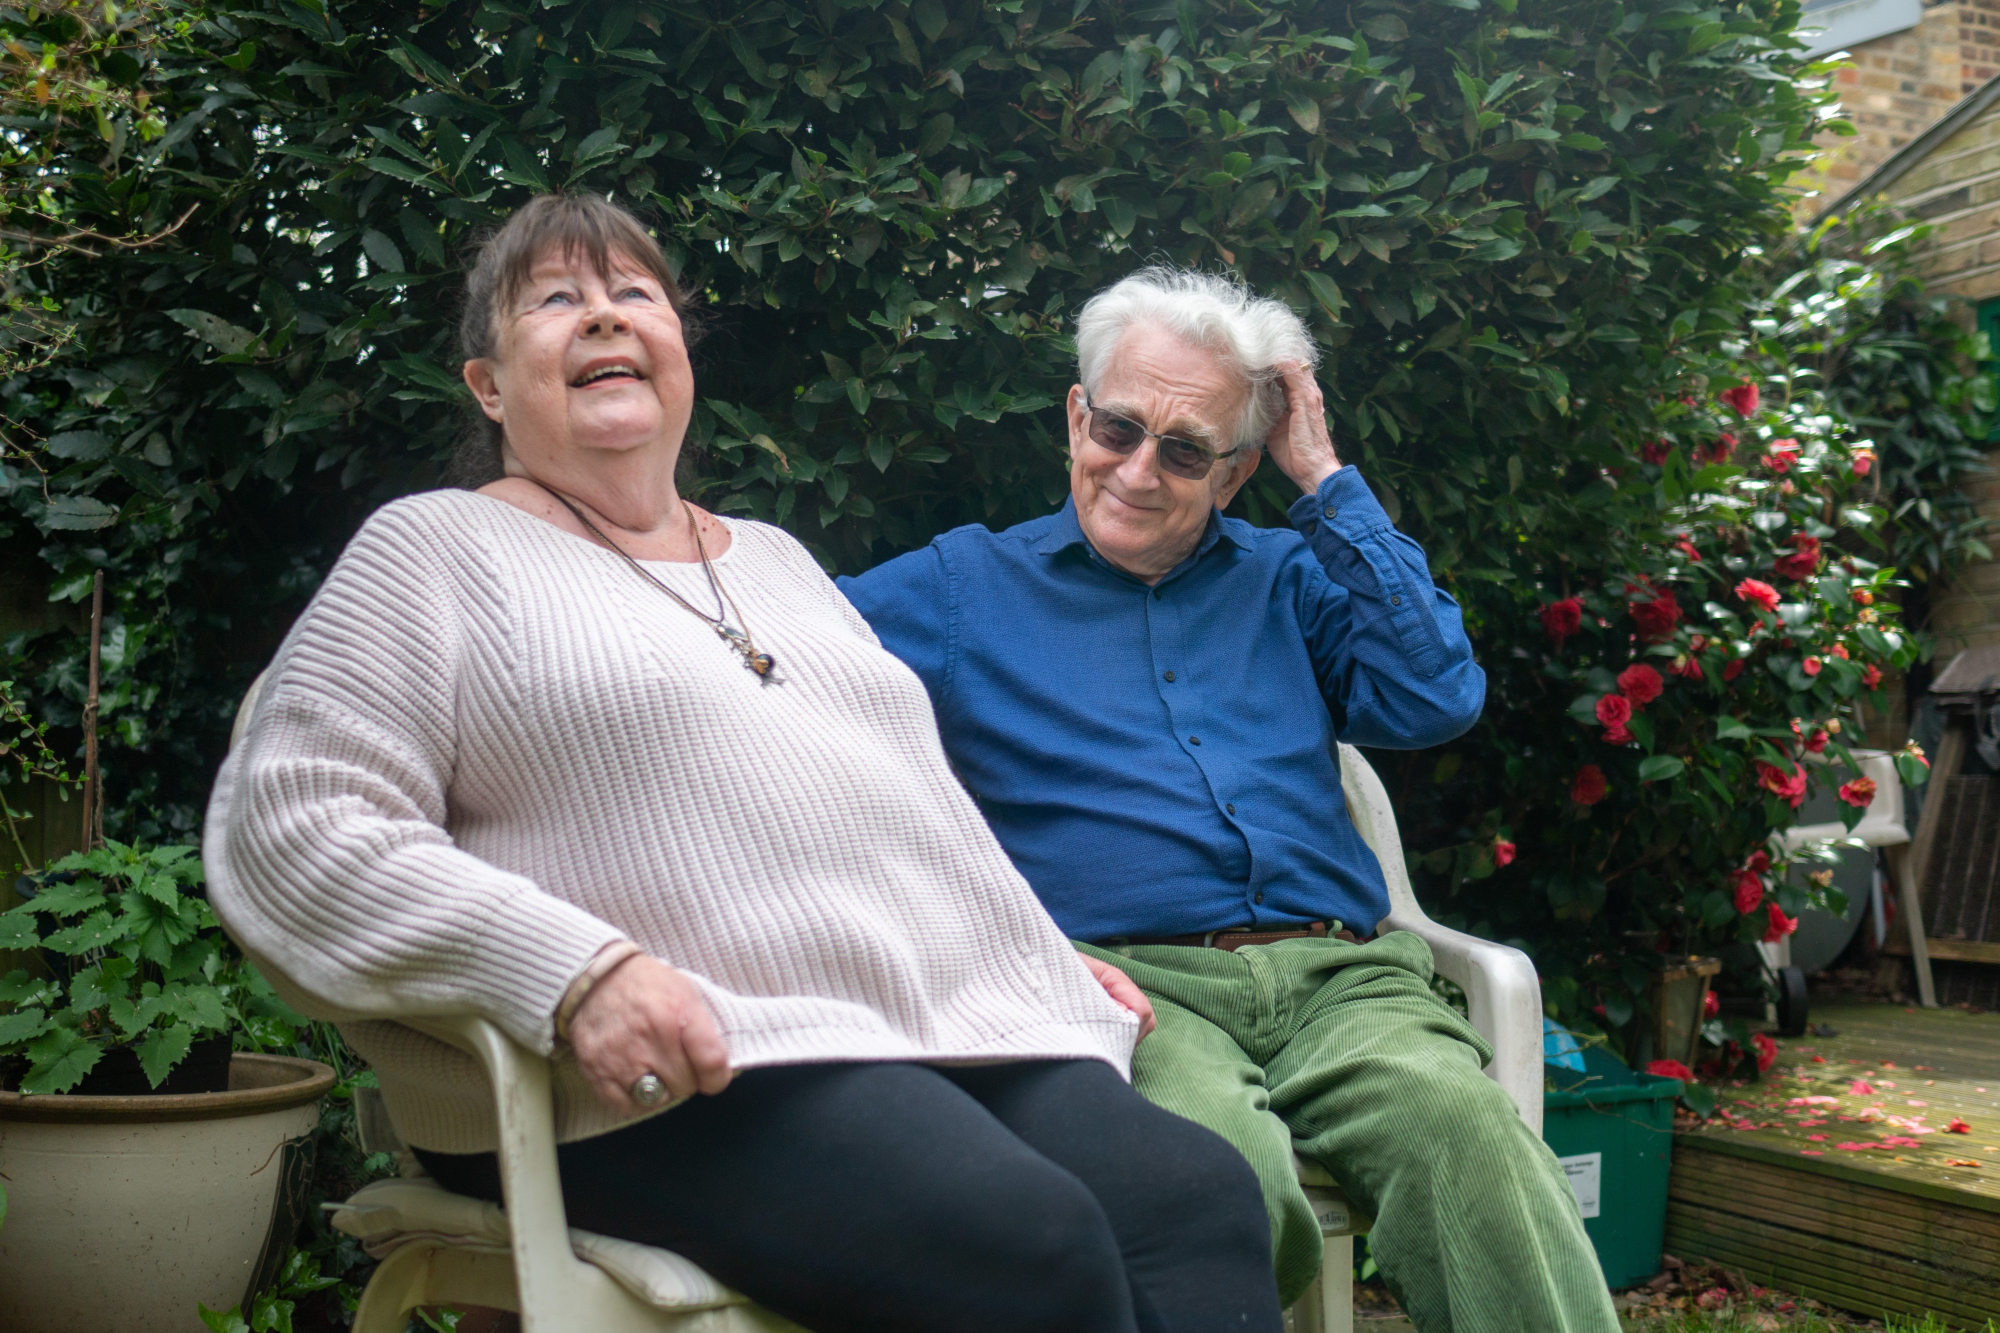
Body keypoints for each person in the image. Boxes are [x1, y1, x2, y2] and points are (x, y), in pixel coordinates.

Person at [204, 198, 1284, 1333]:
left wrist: (1035, 952)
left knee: (1200, 1198)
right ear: (487, 384)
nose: (603, 318)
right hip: (650, 1073)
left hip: (905, 1024)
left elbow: (902, 809)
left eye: (634, 294)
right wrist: (576, 974)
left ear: (679, 351)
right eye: (557, 298)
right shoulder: (435, 549)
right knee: (1024, 1238)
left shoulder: (774, 561)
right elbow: (294, 824)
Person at [841, 267, 1620, 1333]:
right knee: (1219, 1175)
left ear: (1237, 468)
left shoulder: (1286, 577)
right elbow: (778, 697)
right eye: (1116, 427)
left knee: (1469, 1132)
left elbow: (1433, 694)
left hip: (1342, 979)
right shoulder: (957, 588)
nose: (1136, 470)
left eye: (1184, 449)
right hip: (1133, 990)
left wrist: (1326, 479)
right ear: (1075, 415)